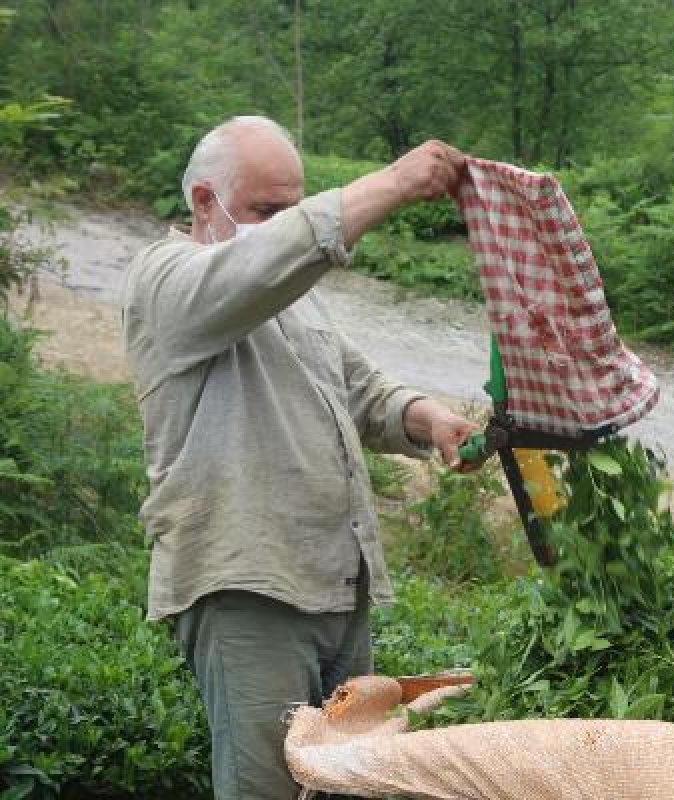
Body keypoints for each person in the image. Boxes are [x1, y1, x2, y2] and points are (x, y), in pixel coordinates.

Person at [120, 115, 476, 800]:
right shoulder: (166, 282)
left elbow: (359, 388)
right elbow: (261, 263)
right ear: (203, 201)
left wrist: (425, 417)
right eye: (266, 209)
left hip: (335, 589)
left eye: (294, 204)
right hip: (250, 592)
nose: (282, 223)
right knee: (269, 789)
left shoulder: (292, 301)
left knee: (342, 783)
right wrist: (397, 183)